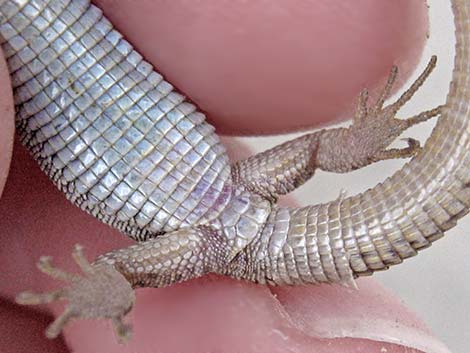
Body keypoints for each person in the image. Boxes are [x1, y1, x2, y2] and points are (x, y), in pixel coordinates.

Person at [0, 1, 446, 352]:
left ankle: (105, 291)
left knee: (115, 271)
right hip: (207, 215)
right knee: (116, 273)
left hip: (204, 219)